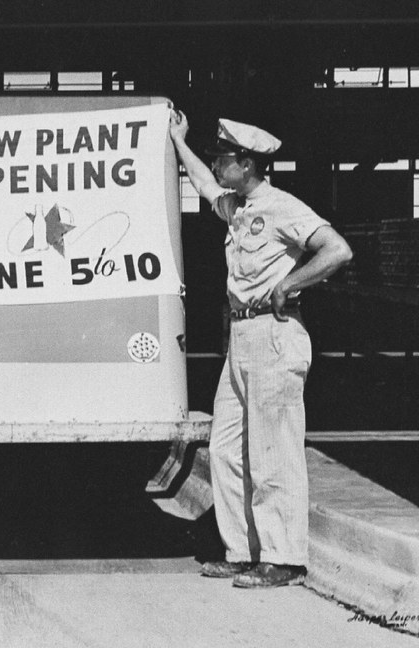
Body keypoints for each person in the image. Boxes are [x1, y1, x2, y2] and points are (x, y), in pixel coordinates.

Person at [169, 112, 352, 589]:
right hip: (241, 337)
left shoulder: (282, 207)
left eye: (223, 158)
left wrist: (290, 283)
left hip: (275, 333)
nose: (217, 164)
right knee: (225, 449)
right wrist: (178, 141)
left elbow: (337, 250)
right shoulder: (238, 208)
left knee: (273, 451)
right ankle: (243, 551)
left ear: (247, 164)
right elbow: (204, 184)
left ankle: (283, 558)